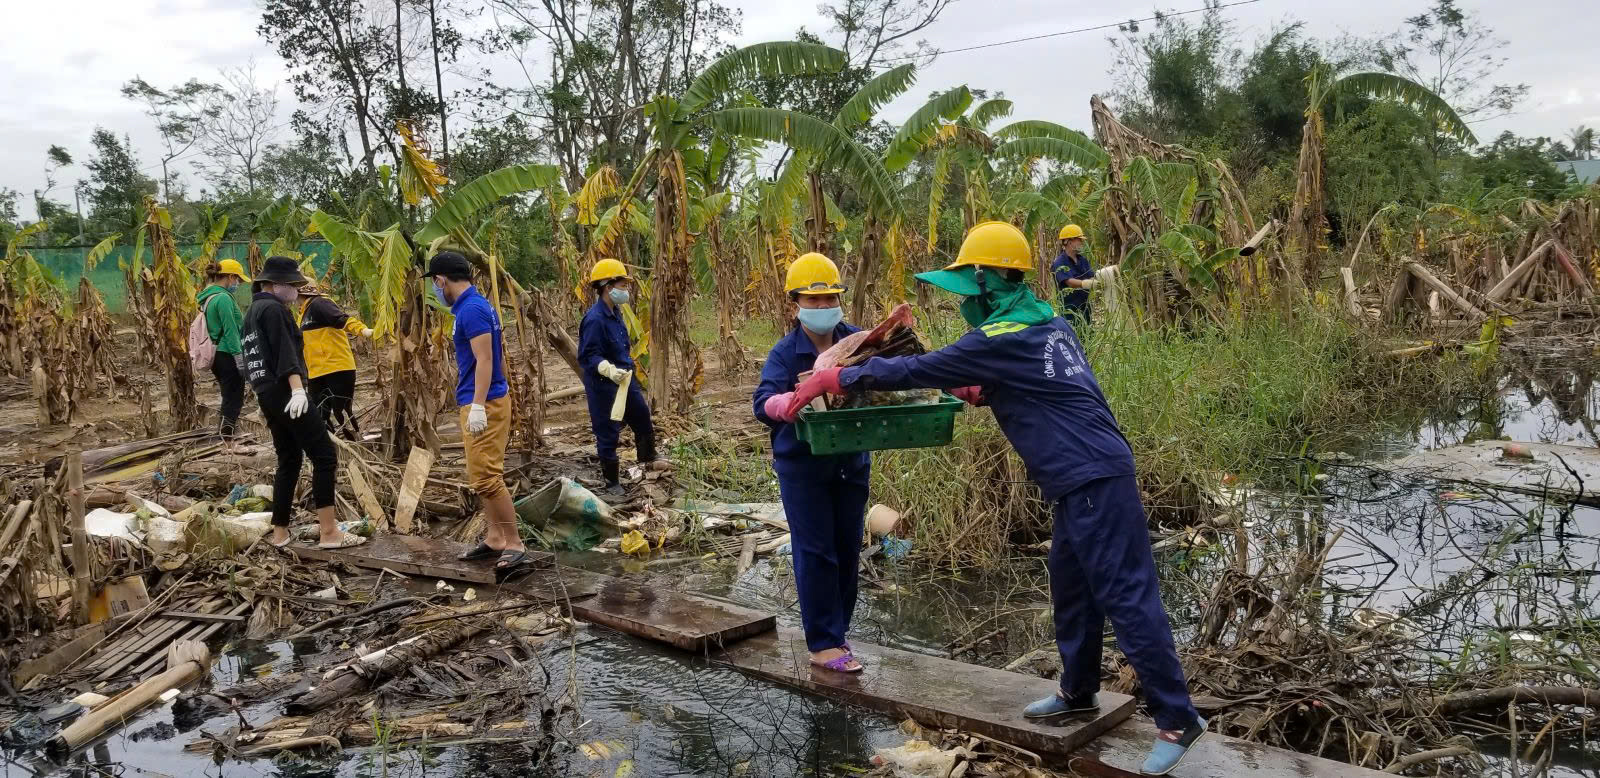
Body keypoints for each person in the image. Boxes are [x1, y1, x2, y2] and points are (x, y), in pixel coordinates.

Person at [783, 222, 1205, 775]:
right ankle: (1078, 691)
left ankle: (1178, 718)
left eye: (967, 286)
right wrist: (985, 389)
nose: (963, 300)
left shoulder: (1000, 336)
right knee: (1071, 583)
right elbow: (1040, 382)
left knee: (1126, 595)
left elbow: (916, 369)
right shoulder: (1048, 322)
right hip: (1082, 478)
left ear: (986, 280)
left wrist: (835, 379)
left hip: (1092, 478)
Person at [751, 252, 870, 674]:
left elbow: (891, 373)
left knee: (846, 548)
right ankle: (822, 644)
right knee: (816, 551)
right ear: (794, 304)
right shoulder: (786, 354)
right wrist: (784, 404)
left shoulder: (857, 341)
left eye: (830, 299)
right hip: (803, 468)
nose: (823, 308)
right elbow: (761, 402)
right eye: (813, 301)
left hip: (851, 461)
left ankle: (838, 632)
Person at [241, 256, 367, 550]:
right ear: (273, 284)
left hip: (267, 393)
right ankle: (329, 533)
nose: (296, 289)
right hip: (288, 392)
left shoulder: (252, 312)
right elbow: (286, 353)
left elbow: (252, 359)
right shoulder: (274, 309)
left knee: (289, 459)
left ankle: (280, 533)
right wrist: (298, 390)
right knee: (324, 455)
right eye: (292, 284)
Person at [428, 252, 527, 572]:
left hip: (483, 402)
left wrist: (478, 405)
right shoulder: (472, 307)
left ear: (441, 280)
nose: (435, 289)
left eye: (435, 283)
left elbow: (486, 360)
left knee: (487, 477)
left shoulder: (471, 310)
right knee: (480, 476)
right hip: (479, 399)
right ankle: (495, 537)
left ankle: (514, 542)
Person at [576, 258, 661, 497]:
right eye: (623, 286)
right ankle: (612, 482)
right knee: (608, 431)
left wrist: (621, 371)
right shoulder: (594, 320)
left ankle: (647, 455)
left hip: (624, 378)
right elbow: (588, 355)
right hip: (604, 384)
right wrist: (607, 369)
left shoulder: (616, 313)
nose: (626, 290)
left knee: (641, 415)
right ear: (607, 286)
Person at [296, 284, 374, 439]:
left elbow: (341, 319)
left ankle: (355, 443)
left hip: (336, 367)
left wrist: (363, 330)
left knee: (342, 410)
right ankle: (332, 446)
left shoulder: (319, 303)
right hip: (316, 372)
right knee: (319, 413)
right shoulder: (303, 313)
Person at [197, 259, 251, 438]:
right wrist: (239, 359)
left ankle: (224, 434)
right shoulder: (223, 298)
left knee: (228, 396)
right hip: (228, 353)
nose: (238, 284)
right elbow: (231, 330)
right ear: (230, 277)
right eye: (238, 280)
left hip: (217, 356)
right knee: (234, 399)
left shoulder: (208, 297)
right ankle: (227, 439)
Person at [1051, 224, 1094, 328]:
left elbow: (1091, 275)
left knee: (1086, 336)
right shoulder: (1059, 262)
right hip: (1069, 311)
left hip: (1085, 308)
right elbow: (1069, 282)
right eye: (1079, 240)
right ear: (1069, 242)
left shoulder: (1082, 260)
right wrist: (1086, 283)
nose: (1082, 242)